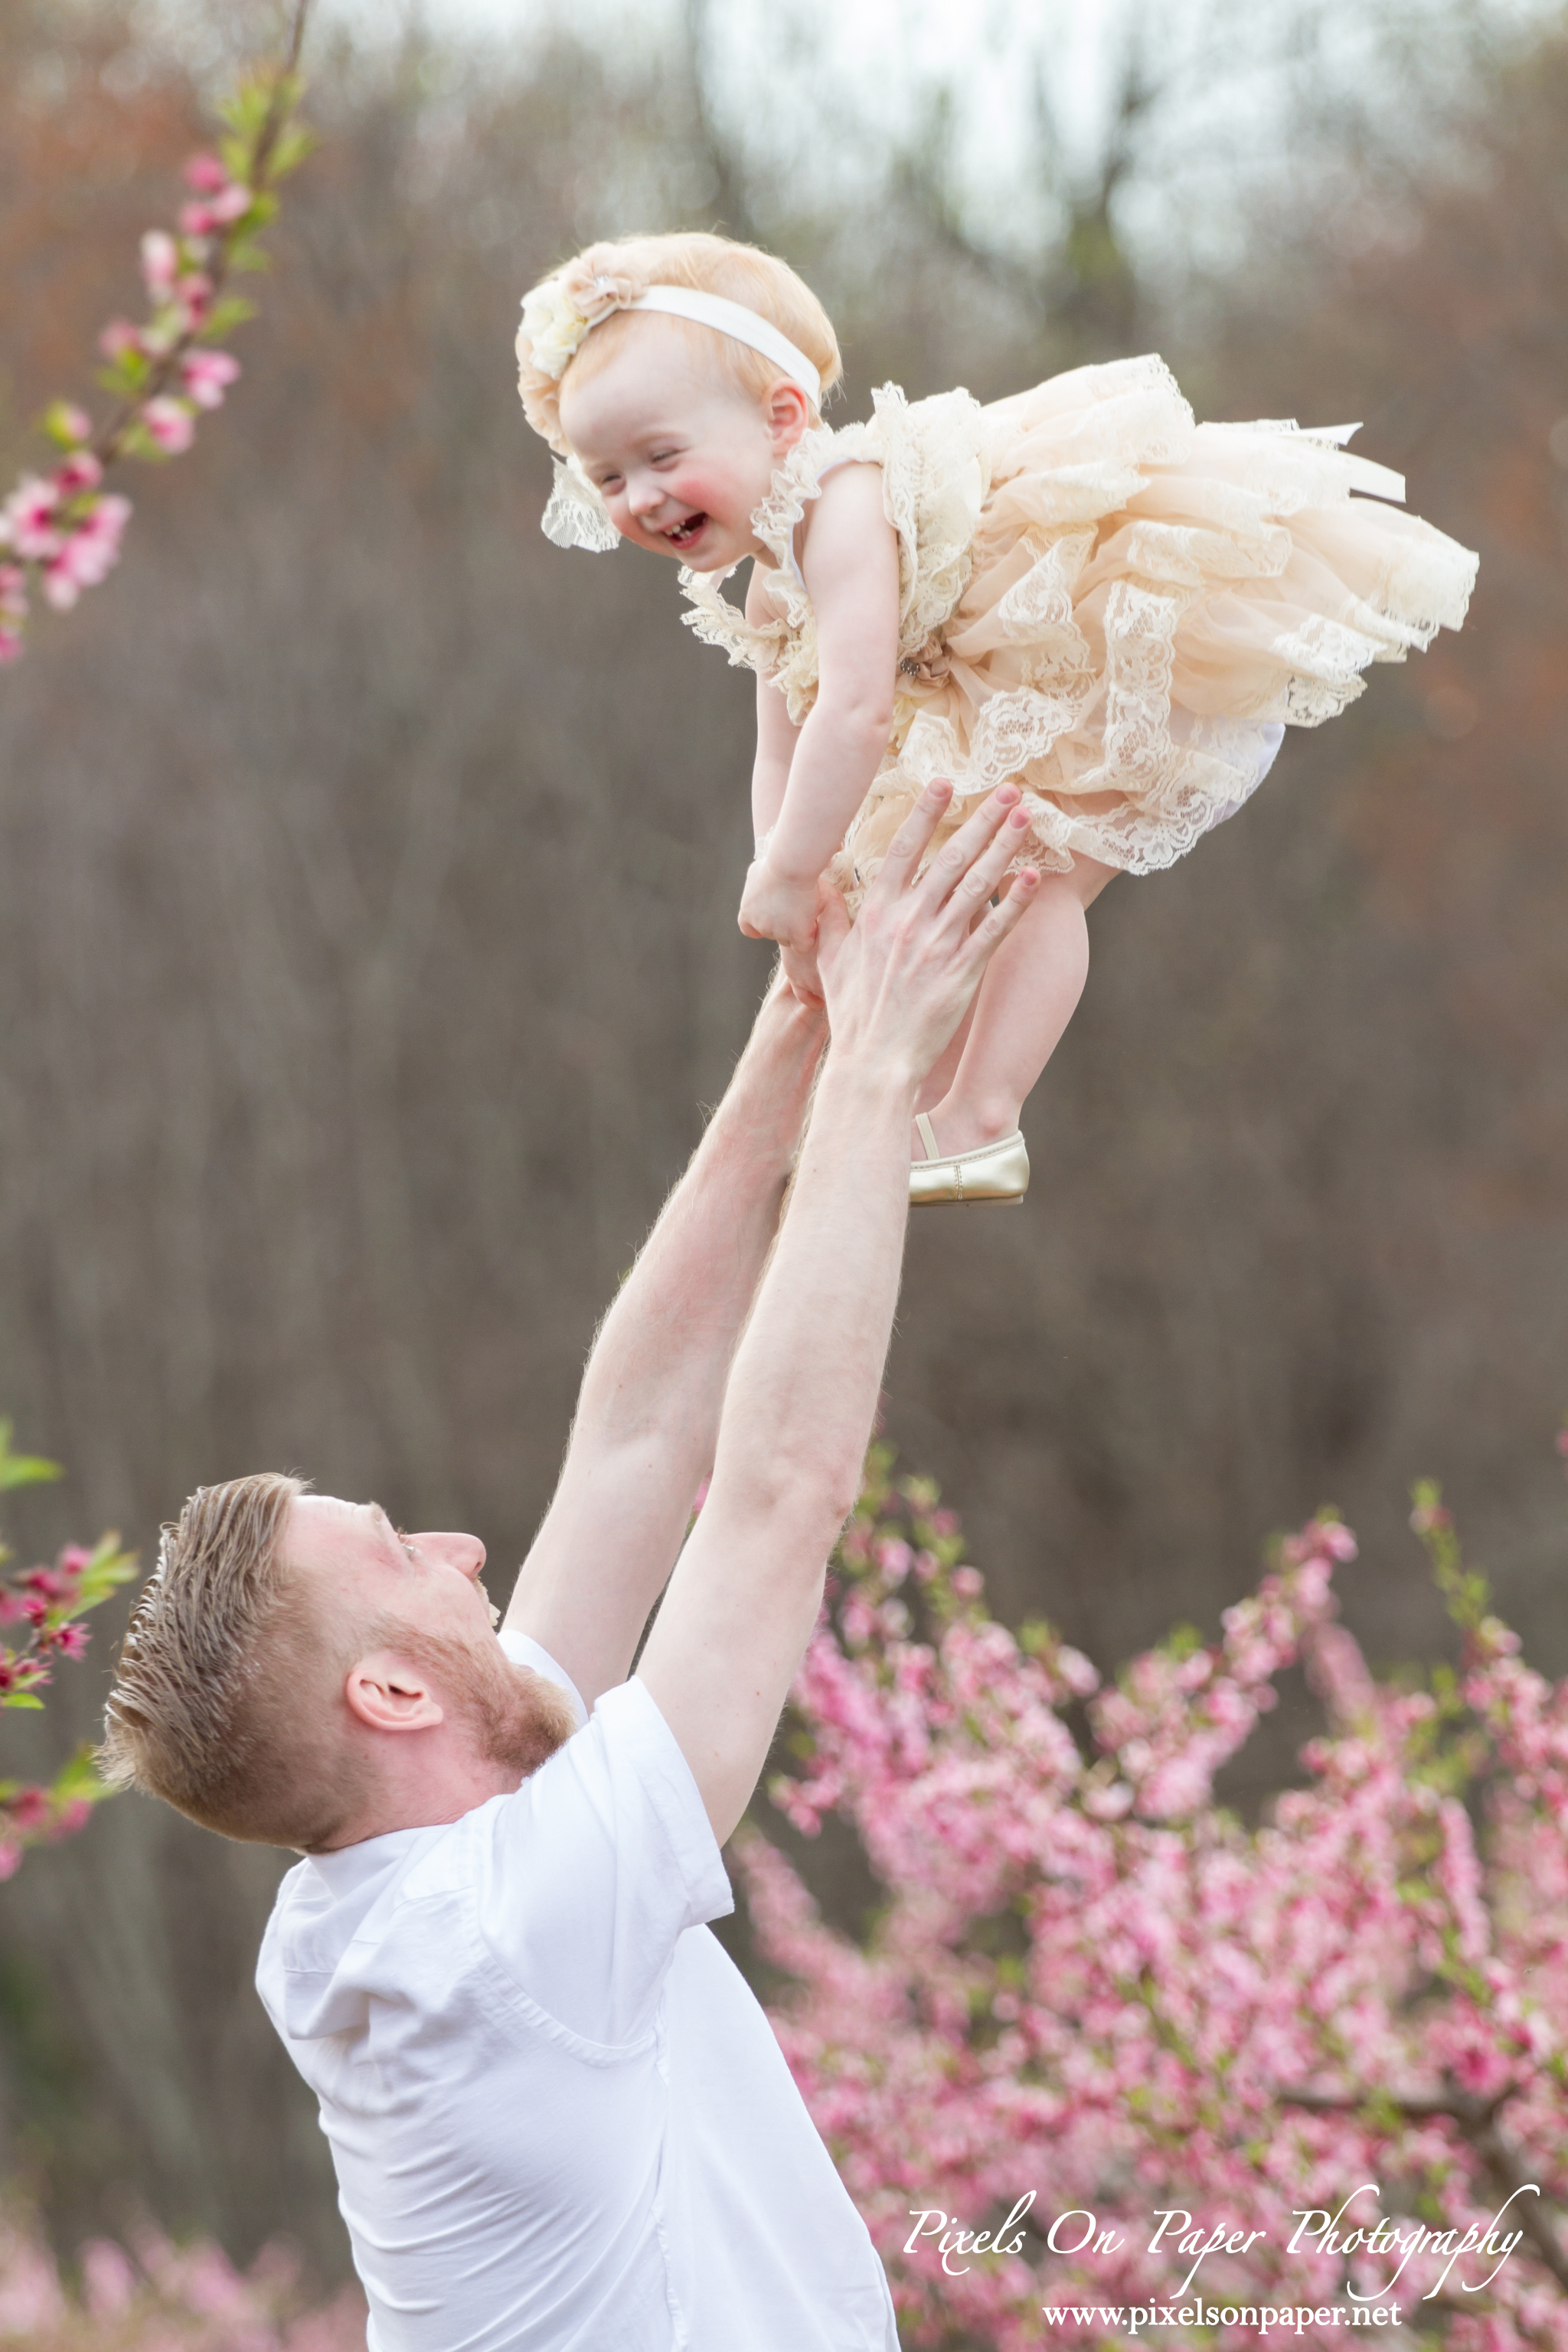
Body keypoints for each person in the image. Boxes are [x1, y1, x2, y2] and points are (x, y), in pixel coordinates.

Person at [100, 780, 1045, 2352]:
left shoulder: (405, 1870)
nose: (468, 1549)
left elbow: (634, 1445)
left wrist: (800, 1020)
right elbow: (777, 1495)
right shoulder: (504, 1936)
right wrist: (883, 1068)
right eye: (405, 1556)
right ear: (393, 1689)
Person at [514, 230, 1478, 1206]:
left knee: (1026, 871)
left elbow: (855, 710)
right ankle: (921, 1109)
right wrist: (794, 891)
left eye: (662, 456)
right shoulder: (769, 589)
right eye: (606, 479)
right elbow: (785, 750)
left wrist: (792, 869)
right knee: (937, 886)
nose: (640, 498)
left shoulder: (842, 504)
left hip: (1086, 637)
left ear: (781, 417)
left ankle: (983, 1117)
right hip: (991, 683)